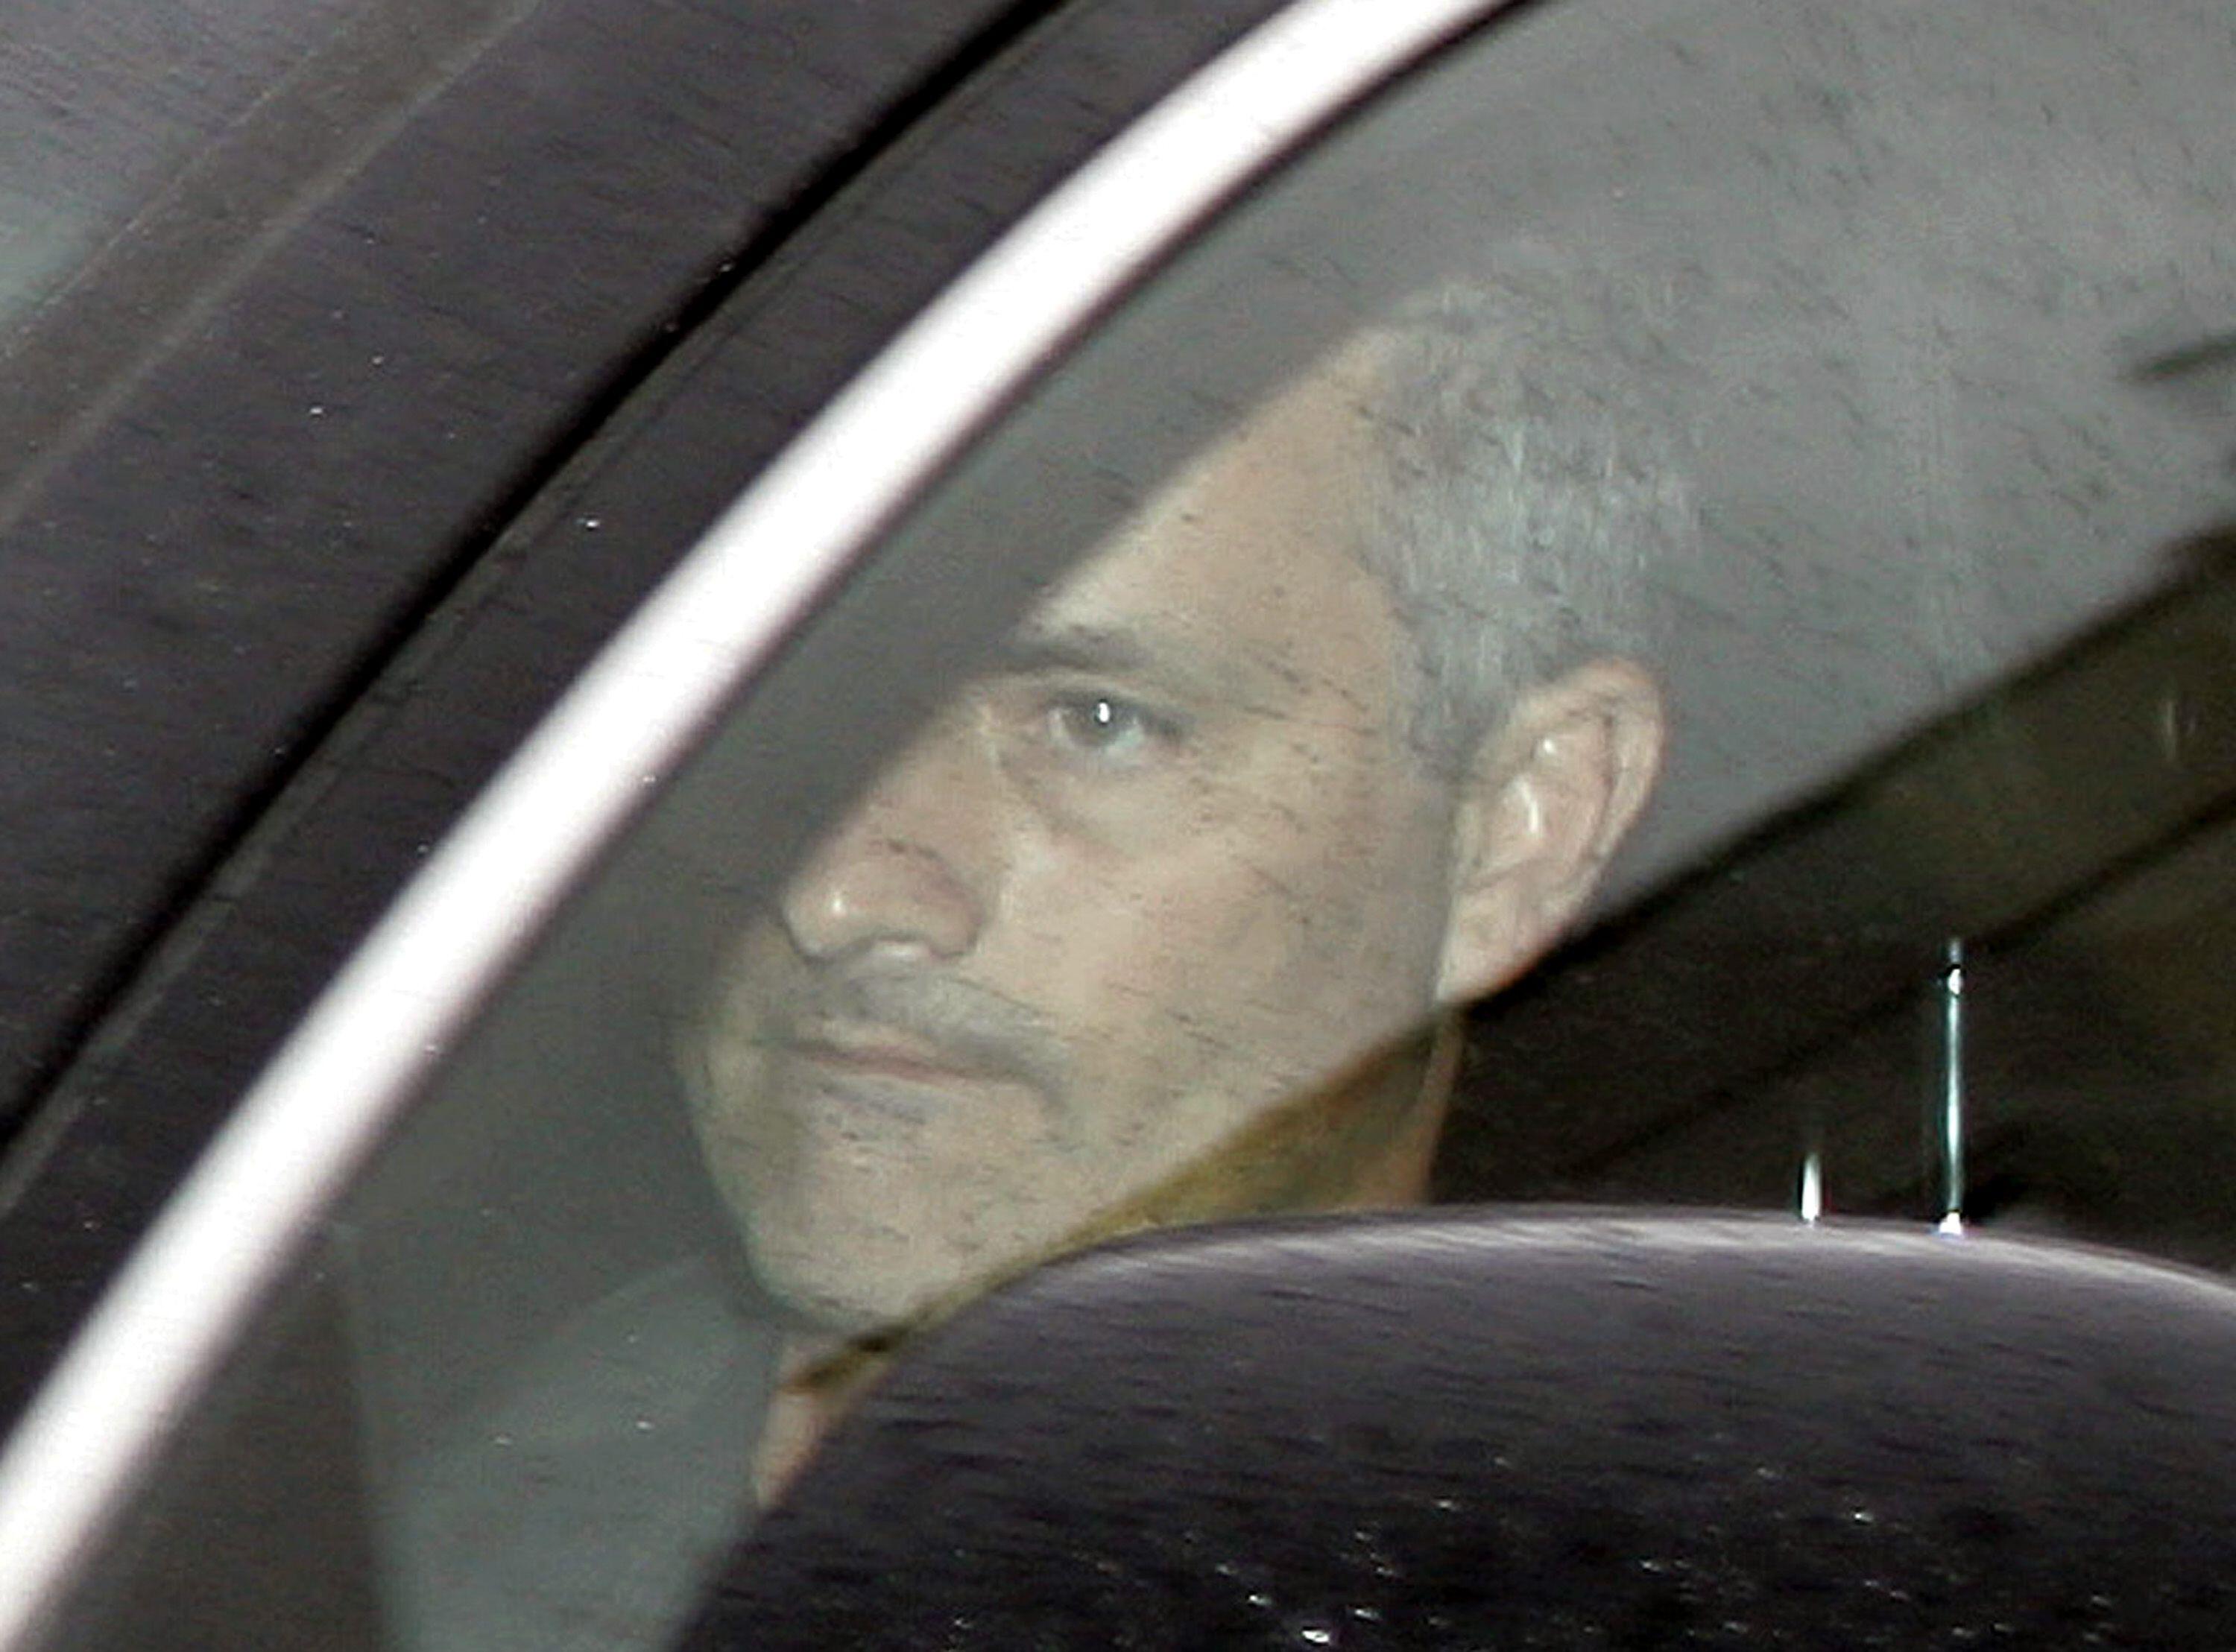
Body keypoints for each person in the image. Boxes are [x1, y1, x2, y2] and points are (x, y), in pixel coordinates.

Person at [679, 278, 1692, 1487]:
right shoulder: (429, 1482)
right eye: (787, 699)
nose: (837, 892)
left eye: (1098, 723)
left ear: (1518, 831)